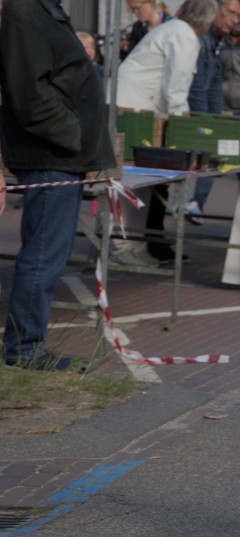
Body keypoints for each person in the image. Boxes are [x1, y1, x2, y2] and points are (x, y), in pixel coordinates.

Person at [0, 0, 115, 370]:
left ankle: (25, 346)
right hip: (51, 156)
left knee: (47, 254)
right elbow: (29, 95)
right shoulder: (25, 9)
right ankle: (24, 349)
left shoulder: (41, 9)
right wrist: (72, 134)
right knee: (43, 256)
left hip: (59, 155)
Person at [114, 0, 218, 266]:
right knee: (133, 181)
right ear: (206, 24)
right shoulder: (184, 36)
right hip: (134, 110)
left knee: (137, 182)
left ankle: (134, 246)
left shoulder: (173, 29)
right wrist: (182, 130)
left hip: (135, 106)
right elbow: (176, 90)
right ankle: (125, 247)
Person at [185, 0, 240, 223]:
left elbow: (214, 84)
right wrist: (205, 121)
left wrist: (217, 117)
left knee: (210, 157)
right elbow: (197, 86)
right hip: (187, 112)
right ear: (215, 10)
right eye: (230, 13)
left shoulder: (218, 40)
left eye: (238, 15)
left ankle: (195, 203)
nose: (234, 20)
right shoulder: (202, 38)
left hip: (206, 111)